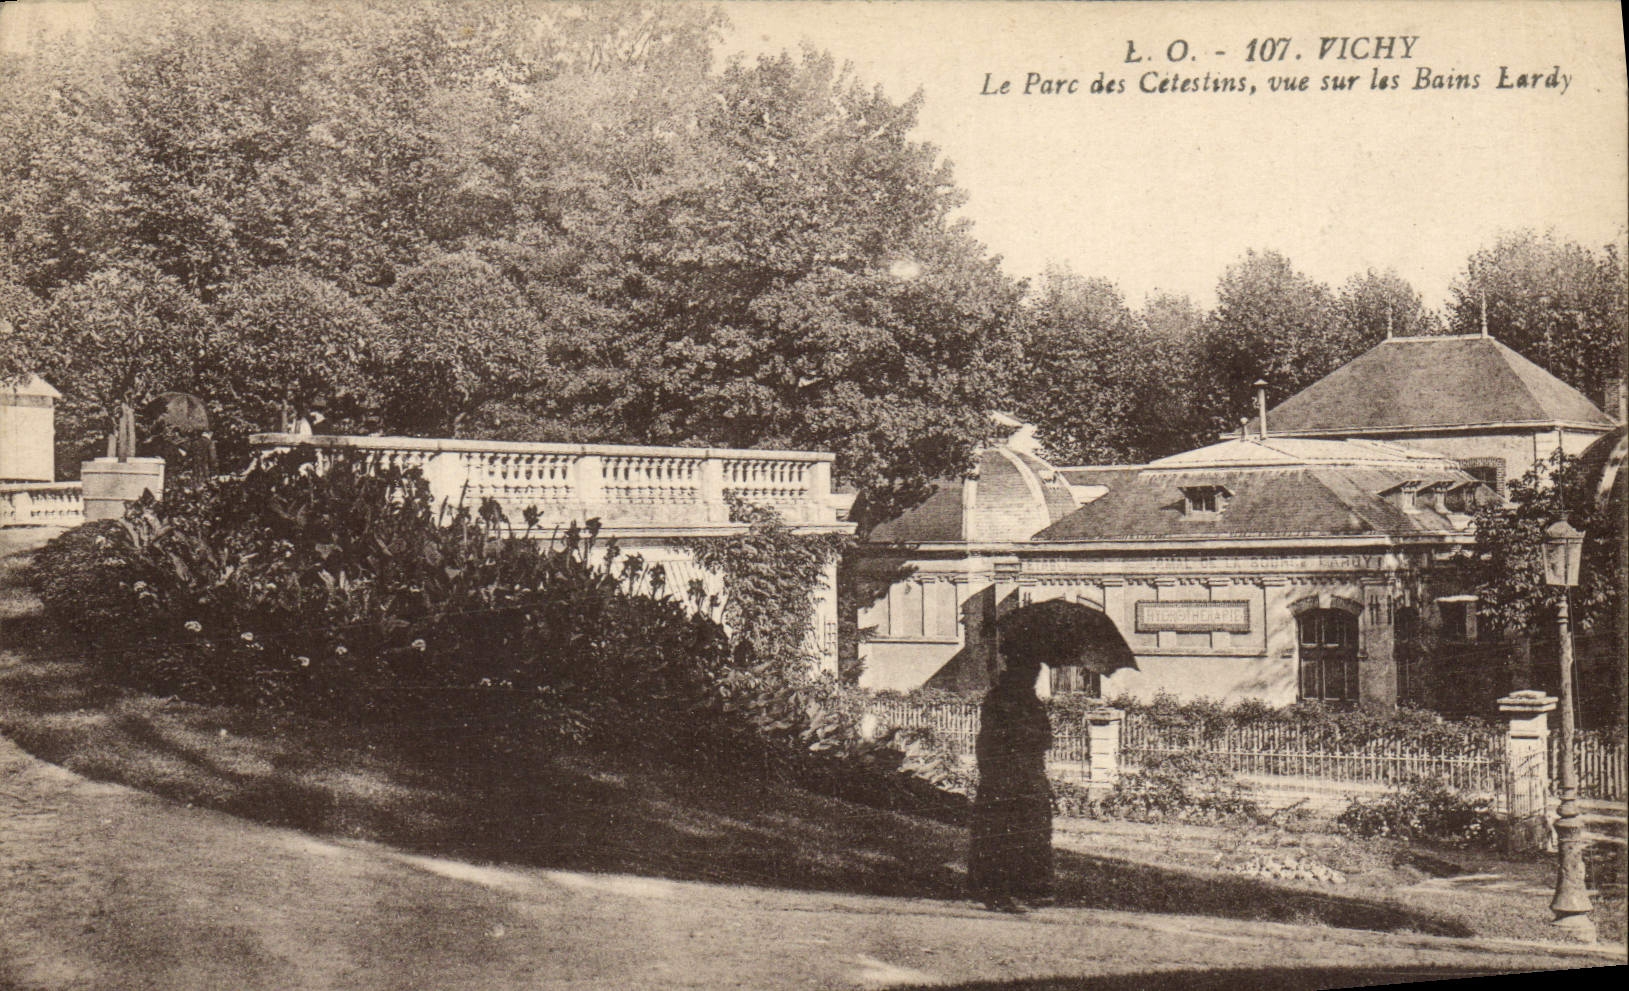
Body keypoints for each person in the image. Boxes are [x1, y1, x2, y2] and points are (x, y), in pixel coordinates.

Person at [967, 658, 1054, 912]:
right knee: (1002, 834)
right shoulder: (999, 700)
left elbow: (1046, 738)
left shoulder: (1032, 702)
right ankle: (997, 891)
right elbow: (992, 739)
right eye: (1031, 674)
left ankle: (1029, 887)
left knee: (1033, 832)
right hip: (1003, 777)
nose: (1034, 680)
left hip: (1028, 776)